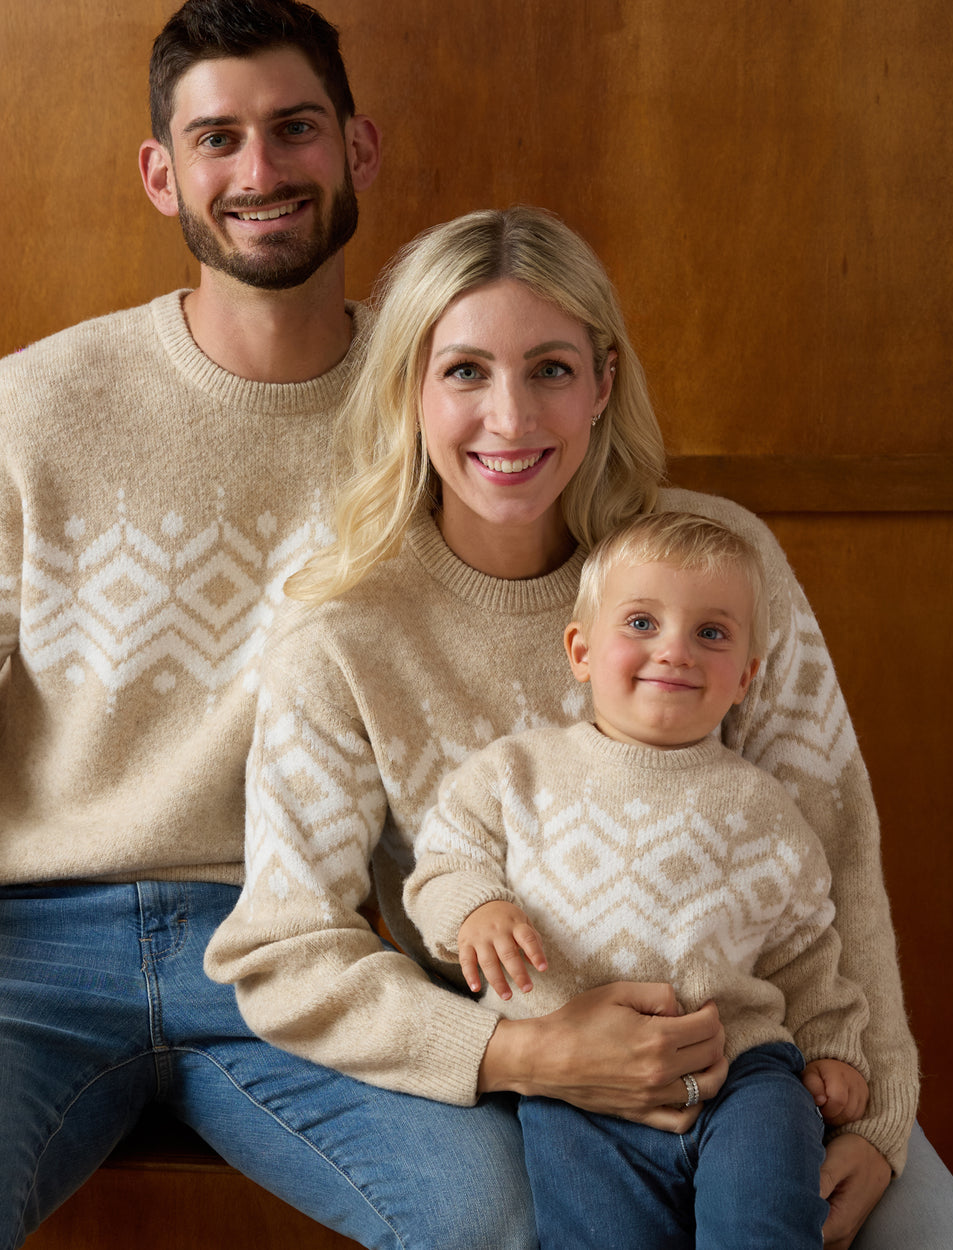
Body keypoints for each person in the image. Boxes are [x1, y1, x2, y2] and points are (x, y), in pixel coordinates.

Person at [205, 204, 953, 1249]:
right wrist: (520, 1053)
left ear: (603, 382)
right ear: (409, 388)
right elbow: (286, 951)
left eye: (551, 369)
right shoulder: (342, 627)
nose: (511, 417)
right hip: (537, 1090)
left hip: (767, 1073)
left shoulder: (716, 567)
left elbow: (832, 854)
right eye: (465, 371)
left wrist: (880, 1115)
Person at [0, 5, 540, 1248]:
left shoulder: (455, 416)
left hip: (310, 942)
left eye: (294, 128)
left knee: (497, 1220)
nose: (259, 173)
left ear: (358, 148)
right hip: (30, 946)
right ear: (161, 173)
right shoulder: (37, 403)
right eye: (217, 138)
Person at [404, 510, 873, 1247]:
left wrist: (834, 1047)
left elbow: (807, 949)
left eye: (711, 634)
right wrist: (476, 908)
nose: (675, 651)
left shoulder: (764, 809)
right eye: (643, 623)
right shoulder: (513, 775)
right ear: (581, 650)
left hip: (743, 1071)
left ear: (747, 676)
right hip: (580, 1088)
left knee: (764, 1217)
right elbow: (441, 867)